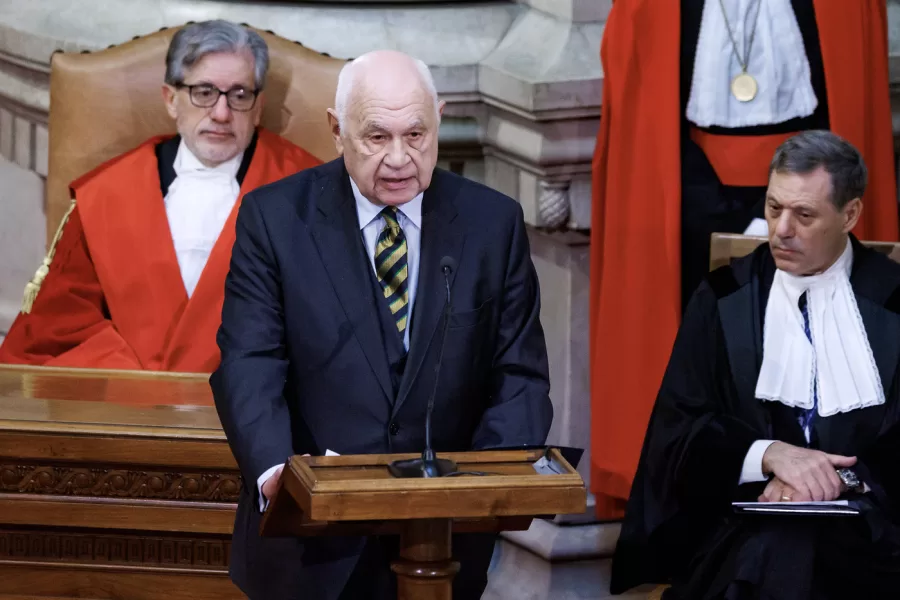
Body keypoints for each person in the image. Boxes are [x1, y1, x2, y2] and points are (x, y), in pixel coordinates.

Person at [210, 49, 553, 599]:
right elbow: (250, 361)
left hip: (444, 544)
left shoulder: (494, 224)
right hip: (310, 542)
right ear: (336, 130)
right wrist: (277, 472)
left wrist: (486, 492)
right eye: (376, 137)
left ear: (438, 119)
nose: (399, 158)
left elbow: (519, 375)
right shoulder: (274, 220)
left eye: (416, 134)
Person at [589, 0, 898, 519]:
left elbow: (846, 103)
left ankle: (824, 484)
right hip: (691, 203)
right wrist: (724, 213)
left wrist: (789, 210)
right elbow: (647, 118)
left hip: (816, 198)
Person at [611, 130, 900, 599]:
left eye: (804, 214)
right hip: (742, 519)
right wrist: (767, 454)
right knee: (777, 547)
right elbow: (678, 429)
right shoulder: (724, 296)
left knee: (786, 553)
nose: (780, 229)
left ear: (850, 214)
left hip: (870, 531)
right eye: (772, 207)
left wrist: (834, 480)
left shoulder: (895, 300)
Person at [0, 20, 320, 372]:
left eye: (240, 95)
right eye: (204, 92)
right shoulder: (107, 194)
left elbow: (328, 321)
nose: (221, 113)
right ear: (171, 100)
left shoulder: (308, 192)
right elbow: (60, 324)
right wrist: (137, 387)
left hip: (258, 408)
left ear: (258, 108)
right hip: (127, 407)